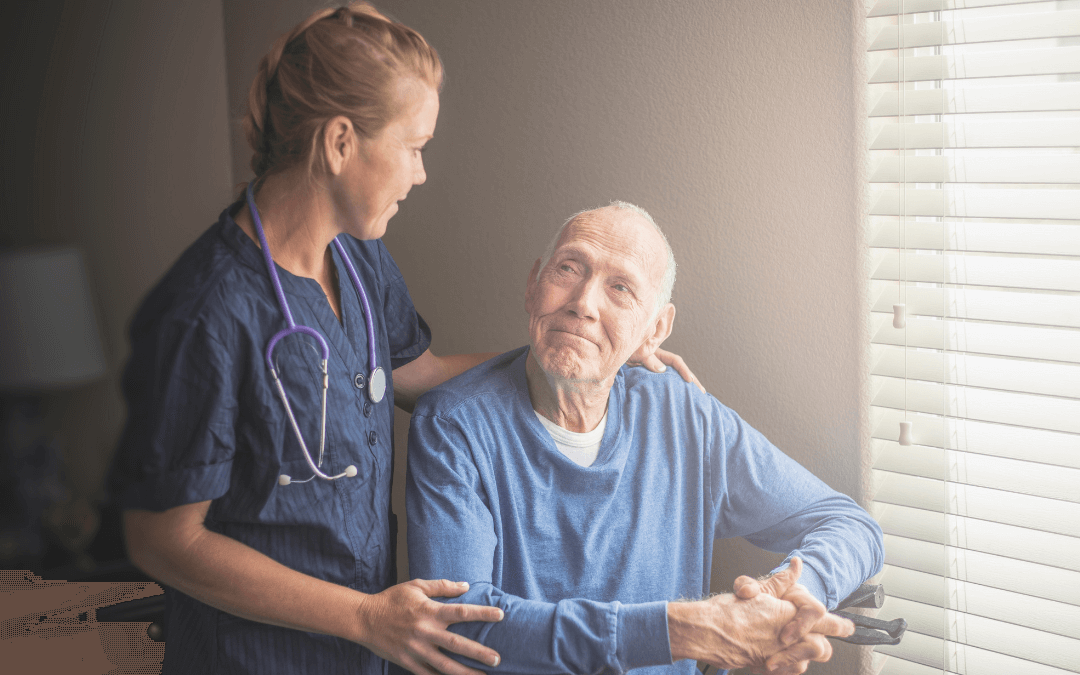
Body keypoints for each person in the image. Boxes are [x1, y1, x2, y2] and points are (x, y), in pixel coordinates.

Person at [106, 5, 696, 675]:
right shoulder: (207, 310)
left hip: (366, 654)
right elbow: (162, 539)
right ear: (338, 143)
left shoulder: (358, 261)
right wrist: (363, 615)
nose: (419, 173)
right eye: (413, 147)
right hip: (254, 657)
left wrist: (588, 358)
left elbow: (421, 373)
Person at [405, 202, 885, 675]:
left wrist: (797, 589)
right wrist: (683, 630)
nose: (584, 303)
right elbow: (458, 629)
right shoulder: (453, 426)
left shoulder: (684, 416)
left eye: (620, 288)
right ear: (533, 286)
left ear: (654, 330)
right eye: (569, 268)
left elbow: (849, 525)